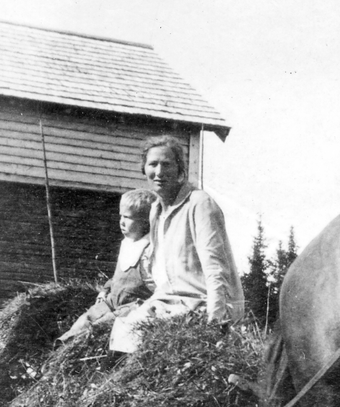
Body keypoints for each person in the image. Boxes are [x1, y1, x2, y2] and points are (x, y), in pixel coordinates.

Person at [109, 135, 244, 352]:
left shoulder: (199, 203)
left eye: (167, 164)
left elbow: (216, 267)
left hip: (200, 302)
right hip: (169, 300)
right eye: (153, 164)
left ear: (180, 170)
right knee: (124, 329)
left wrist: (216, 319)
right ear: (144, 169)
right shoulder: (156, 210)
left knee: (143, 338)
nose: (159, 172)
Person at [57, 188, 157, 342]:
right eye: (120, 216)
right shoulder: (127, 243)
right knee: (86, 319)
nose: (121, 222)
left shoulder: (149, 251)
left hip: (131, 307)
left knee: (97, 327)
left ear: (145, 222)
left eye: (128, 218)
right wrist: (105, 290)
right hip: (112, 301)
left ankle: (76, 349)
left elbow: (157, 286)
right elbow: (119, 276)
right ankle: (60, 348)